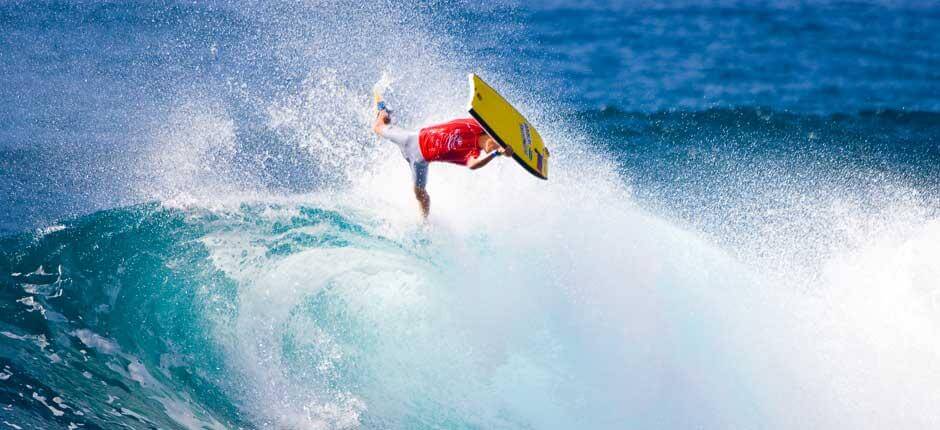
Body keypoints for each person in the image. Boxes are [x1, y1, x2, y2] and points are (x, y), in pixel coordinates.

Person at [371, 102, 512, 218]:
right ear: (488, 133)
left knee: (420, 193)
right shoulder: (474, 125)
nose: (495, 147)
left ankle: (424, 223)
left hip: (420, 162)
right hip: (411, 140)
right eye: (496, 143)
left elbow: (473, 165)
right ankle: (384, 110)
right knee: (378, 127)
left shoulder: (472, 152)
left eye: (497, 148)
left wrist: (496, 154)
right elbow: (481, 108)